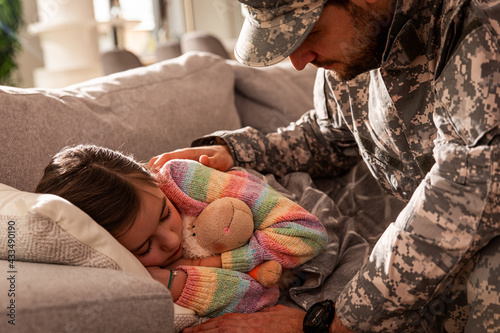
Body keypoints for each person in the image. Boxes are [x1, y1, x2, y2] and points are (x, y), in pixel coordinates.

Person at [148, 0, 500, 332]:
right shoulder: (358, 47)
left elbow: (461, 198)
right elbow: (328, 136)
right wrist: (234, 151)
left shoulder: (479, 29)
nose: (299, 61)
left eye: (309, 32)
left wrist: (329, 321)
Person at [35, 144, 328, 318]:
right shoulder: (136, 274)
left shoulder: (184, 179)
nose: (171, 240)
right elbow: (260, 297)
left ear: (153, 180)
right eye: (143, 247)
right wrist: (176, 282)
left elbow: (306, 232)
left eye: (165, 213)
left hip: (303, 201)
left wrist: (214, 263)